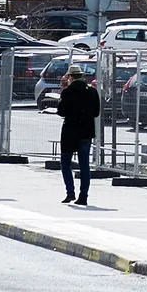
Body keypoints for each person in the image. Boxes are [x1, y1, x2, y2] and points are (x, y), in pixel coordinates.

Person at [57, 67, 101, 205]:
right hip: (86, 131)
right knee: (84, 165)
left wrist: (62, 94)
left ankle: (70, 192)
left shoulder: (67, 92)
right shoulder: (92, 92)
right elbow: (96, 112)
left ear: (70, 77)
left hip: (70, 131)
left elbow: (61, 112)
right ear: (81, 76)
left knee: (65, 163)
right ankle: (83, 196)